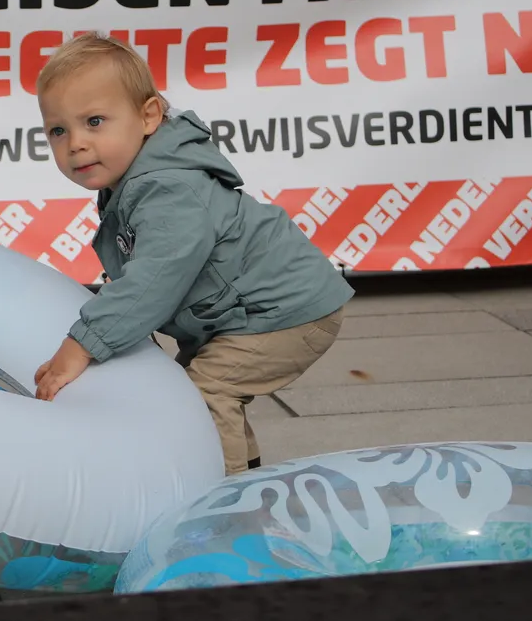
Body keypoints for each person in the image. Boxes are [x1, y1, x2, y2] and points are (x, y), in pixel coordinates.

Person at [32, 32, 355, 476]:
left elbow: (155, 280)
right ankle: (249, 477)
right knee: (188, 393)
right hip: (245, 311)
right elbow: (149, 260)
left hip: (283, 311)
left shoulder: (169, 188)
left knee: (206, 393)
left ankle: (220, 506)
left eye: (94, 122)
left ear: (148, 117)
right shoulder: (135, 183)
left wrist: (83, 343)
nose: (75, 144)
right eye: (58, 130)